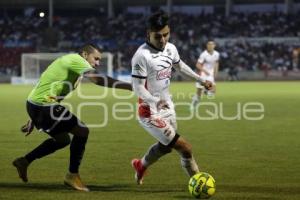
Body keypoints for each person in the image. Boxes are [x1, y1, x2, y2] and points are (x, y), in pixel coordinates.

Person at [13, 44, 132, 192]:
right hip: (43, 106)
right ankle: (72, 175)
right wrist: (131, 86)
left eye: (99, 60)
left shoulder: (73, 67)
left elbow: (52, 87)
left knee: (63, 140)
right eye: (95, 59)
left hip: (38, 105)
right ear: (84, 54)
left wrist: (34, 117)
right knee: (82, 130)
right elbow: (98, 80)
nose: (98, 63)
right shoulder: (76, 59)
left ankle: (24, 161)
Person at [130, 11, 212, 185]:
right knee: (185, 147)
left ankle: (140, 165)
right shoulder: (141, 56)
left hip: (167, 107)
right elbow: (137, 88)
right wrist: (154, 100)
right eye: (158, 36)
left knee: (166, 147)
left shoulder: (171, 48)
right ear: (148, 34)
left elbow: (180, 67)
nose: (163, 40)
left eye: (166, 35)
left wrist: (201, 80)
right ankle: (198, 182)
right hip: (149, 112)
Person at [190, 40, 219, 109]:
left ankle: (206, 90)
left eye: (212, 44)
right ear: (207, 46)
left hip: (210, 74)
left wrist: (216, 72)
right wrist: (204, 70)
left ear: (214, 46)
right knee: (199, 91)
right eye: (209, 44)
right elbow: (197, 65)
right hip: (203, 74)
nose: (210, 46)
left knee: (213, 90)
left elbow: (216, 63)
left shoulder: (216, 54)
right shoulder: (204, 54)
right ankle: (193, 105)